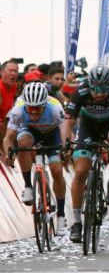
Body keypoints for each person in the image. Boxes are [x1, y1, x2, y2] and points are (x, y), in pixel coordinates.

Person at [62, 64, 109, 243]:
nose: (99, 94)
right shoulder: (80, 91)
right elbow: (68, 123)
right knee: (81, 171)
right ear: (89, 84)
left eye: (103, 89)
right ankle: (76, 222)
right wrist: (66, 144)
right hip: (87, 129)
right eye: (95, 89)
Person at [1, 82, 68, 235]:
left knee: (56, 171)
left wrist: (64, 150)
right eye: (30, 108)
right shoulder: (18, 110)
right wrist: (8, 154)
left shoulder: (55, 109)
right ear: (25, 105)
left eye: (38, 108)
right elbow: (8, 138)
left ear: (44, 105)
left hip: (52, 135)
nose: (34, 111)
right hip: (30, 131)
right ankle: (27, 186)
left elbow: (65, 133)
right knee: (23, 143)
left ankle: (61, 215)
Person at [0, 60, 19, 140]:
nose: (13, 74)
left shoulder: (14, 86)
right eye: (10, 70)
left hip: (6, 121)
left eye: (16, 71)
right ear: (2, 72)